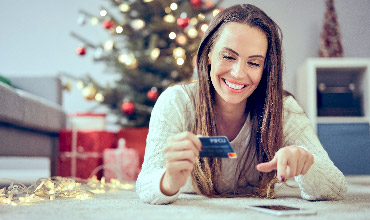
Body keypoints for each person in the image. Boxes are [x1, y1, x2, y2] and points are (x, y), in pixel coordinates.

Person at [136, 4, 347, 205]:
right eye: (228, 56)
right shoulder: (176, 102)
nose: (238, 73)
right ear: (209, 54)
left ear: (265, 68)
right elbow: (146, 185)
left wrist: (306, 163)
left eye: (254, 63)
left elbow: (337, 188)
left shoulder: (284, 109)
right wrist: (168, 181)